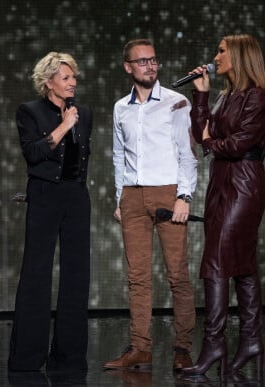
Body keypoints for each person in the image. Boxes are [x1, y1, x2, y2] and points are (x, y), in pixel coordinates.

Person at [181, 34, 265, 380]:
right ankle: (250, 341)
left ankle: (214, 343)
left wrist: (209, 141)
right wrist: (201, 95)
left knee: (217, 261)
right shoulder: (225, 95)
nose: (215, 57)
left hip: (245, 183)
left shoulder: (257, 98)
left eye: (221, 51)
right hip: (222, 181)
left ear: (238, 55)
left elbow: (236, 143)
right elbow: (201, 131)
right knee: (243, 265)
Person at [103, 39, 198, 372]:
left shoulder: (177, 102)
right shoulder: (120, 108)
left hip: (168, 193)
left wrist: (184, 196)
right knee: (138, 278)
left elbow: (188, 155)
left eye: (153, 60)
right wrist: (120, 198)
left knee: (177, 276)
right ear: (128, 67)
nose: (149, 66)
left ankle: (183, 348)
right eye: (141, 62)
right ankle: (140, 349)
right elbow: (118, 155)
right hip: (132, 196)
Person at [8, 51, 92, 372]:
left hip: (75, 197)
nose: (73, 82)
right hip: (44, 195)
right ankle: (27, 358)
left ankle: (69, 357)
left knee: (76, 275)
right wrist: (61, 128)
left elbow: (83, 156)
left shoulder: (83, 113)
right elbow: (32, 153)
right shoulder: (29, 111)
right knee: (36, 273)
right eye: (66, 78)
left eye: (74, 77)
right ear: (48, 82)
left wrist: (79, 189)